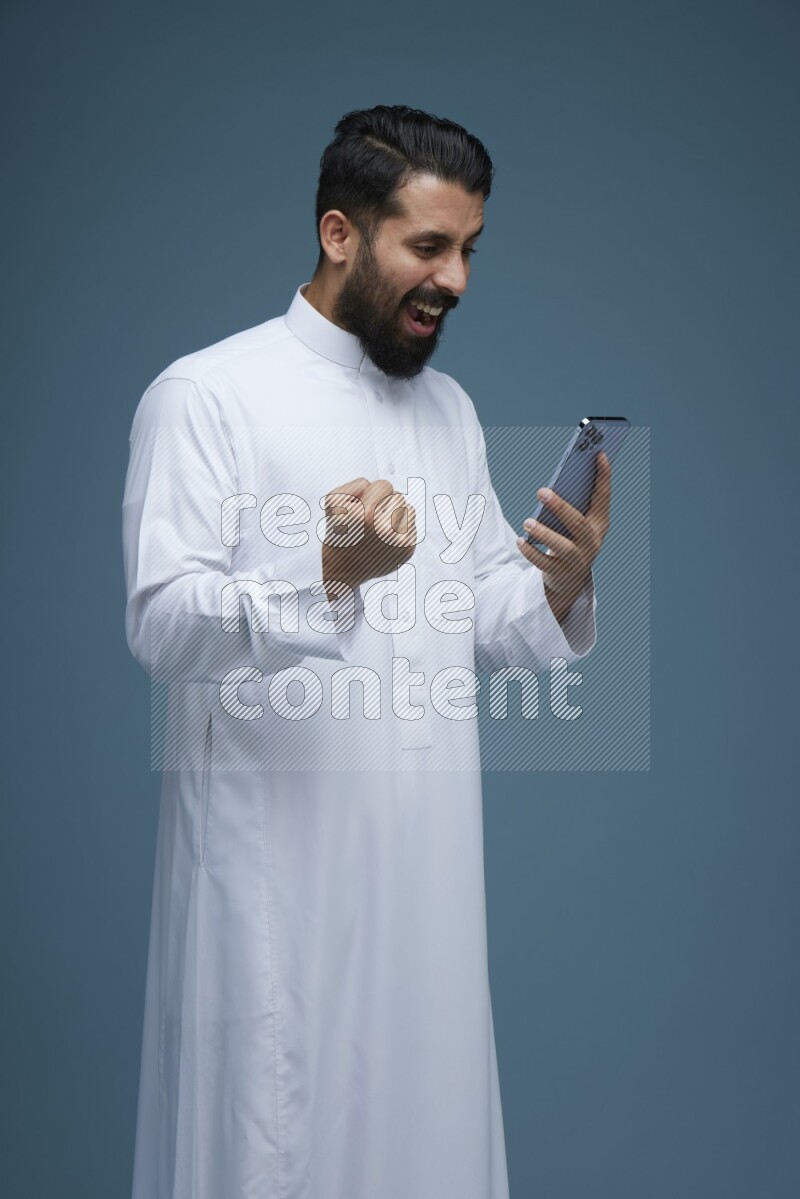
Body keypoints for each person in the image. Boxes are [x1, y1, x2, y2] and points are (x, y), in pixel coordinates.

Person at [122, 103, 611, 1199]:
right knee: (272, 1145)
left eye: (468, 249)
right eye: (427, 247)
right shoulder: (208, 396)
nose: (455, 279)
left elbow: (482, 611)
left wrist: (561, 584)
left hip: (429, 883)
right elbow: (159, 622)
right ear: (339, 233)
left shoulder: (447, 410)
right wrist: (328, 576)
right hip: (271, 887)